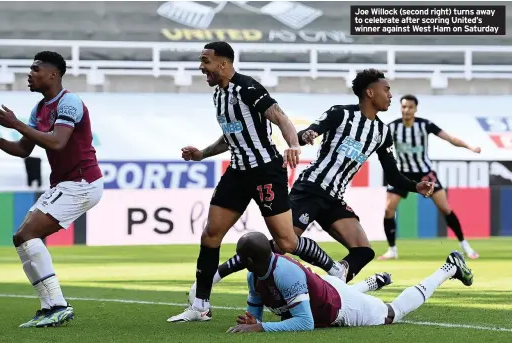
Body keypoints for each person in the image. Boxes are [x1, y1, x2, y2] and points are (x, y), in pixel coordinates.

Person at [194, 69, 436, 306]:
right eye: (387, 90)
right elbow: (304, 134)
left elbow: (393, 174)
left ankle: (332, 285)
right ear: (370, 93)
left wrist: (416, 186)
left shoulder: (382, 133)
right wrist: (307, 134)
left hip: (334, 198)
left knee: (364, 251)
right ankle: (218, 273)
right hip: (310, 189)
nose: (391, 95)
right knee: (281, 245)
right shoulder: (340, 114)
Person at [168, 41, 347, 323]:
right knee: (210, 234)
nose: (201, 67)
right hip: (238, 172)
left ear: (223, 64)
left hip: (265, 170)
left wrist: (292, 145)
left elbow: (279, 117)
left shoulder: (248, 88)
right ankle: (200, 306)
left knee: (286, 241)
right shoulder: (219, 96)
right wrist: (202, 153)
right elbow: (231, 137)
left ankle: (334, 268)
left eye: (205, 61)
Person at [0, 51, 103, 328]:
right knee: (21, 239)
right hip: (65, 183)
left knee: (27, 234)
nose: (30, 74)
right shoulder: (40, 108)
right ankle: (49, 307)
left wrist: (15, 123)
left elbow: (57, 142)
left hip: (82, 182)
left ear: (53, 74)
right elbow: (24, 149)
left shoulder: (69, 102)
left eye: (35, 69)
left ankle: (57, 304)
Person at [226, 232, 473, 333]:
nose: (237, 259)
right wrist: (254, 320)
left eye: (239, 255)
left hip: (342, 305)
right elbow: (255, 307)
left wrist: (261, 327)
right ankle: (372, 282)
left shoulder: (284, 273)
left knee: (391, 313)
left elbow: (305, 322)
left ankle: (449, 268)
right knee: (328, 293)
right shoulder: (255, 275)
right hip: (327, 288)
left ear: (249, 259)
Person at [378, 94, 480, 260]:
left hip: (425, 174)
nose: (406, 110)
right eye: (403, 107)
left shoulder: (425, 125)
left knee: (445, 208)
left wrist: (469, 146)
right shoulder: (392, 127)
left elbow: (449, 138)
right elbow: (375, 142)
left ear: (415, 109)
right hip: (402, 173)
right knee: (389, 209)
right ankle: (392, 250)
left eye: (410, 107)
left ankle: (465, 246)